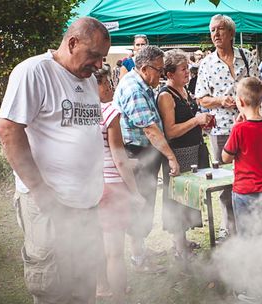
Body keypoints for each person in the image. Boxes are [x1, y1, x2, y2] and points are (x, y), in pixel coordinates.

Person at [0, 17, 110, 304]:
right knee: (53, 288)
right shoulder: (34, 71)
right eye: (94, 56)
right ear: (72, 43)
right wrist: (40, 190)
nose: (98, 65)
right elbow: (8, 130)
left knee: (84, 282)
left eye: (102, 58)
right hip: (49, 204)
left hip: (86, 204)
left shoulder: (89, 81)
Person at [114, 45, 180, 272]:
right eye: (159, 70)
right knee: (140, 204)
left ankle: (139, 249)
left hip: (142, 153)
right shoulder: (134, 89)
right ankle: (138, 258)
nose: (161, 75)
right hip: (137, 154)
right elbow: (150, 129)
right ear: (144, 68)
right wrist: (171, 157)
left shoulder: (141, 83)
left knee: (145, 202)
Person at [195, 14, 259, 241]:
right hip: (222, 128)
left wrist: (247, 106)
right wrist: (221, 101)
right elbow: (200, 98)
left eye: (220, 30)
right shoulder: (206, 63)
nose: (215, 34)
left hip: (249, 124)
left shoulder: (247, 55)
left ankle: (251, 223)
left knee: (251, 173)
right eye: (212, 30)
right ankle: (228, 227)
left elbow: (257, 87)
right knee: (225, 179)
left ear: (231, 33)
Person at [222, 77, 262, 303]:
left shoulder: (239, 129)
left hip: (244, 193)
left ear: (239, 101)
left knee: (248, 239)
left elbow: (225, 157)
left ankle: (254, 291)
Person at [93, 64, 145, 303]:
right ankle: (118, 298)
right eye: (106, 83)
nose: (111, 87)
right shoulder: (109, 112)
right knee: (114, 252)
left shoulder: (76, 112)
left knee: (96, 246)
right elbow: (118, 158)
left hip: (88, 185)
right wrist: (135, 192)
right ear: (96, 86)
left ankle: (101, 287)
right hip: (112, 187)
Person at [157, 50, 212, 261]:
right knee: (178, 200)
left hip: (193, 150)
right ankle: (179, 247)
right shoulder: (166, 96)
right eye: (183, 69)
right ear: (170, 73)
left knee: (189, 198)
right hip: (178, 154)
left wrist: (203, 123)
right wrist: (196, 121)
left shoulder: (185, 91)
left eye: (188, 68)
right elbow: (170, 131)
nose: (188, 73)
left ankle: (184, 240)